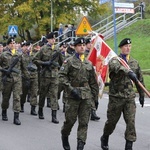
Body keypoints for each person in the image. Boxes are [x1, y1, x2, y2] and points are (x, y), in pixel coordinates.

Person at [100, 38, 145, 150]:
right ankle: (105, 137)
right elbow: (116, 67)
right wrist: (128, 72)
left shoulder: (134, 62)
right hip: (116, 97)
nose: (128, 48)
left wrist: (141, 95)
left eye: (129, 46)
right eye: (125, 46)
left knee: (131, 122)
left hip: (129, 98)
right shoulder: (115, 60)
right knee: (111, 122)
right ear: (121, 48)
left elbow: (140, 79)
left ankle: (129, 146)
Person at [59, 37, 99, 150]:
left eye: (83, 45)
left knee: (84, 122)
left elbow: (93, 82)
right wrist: (71, 89)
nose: (82, 47)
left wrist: (95, 98)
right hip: (72, 96)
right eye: (79, 45)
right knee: (70, 121)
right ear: (75, 47)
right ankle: (65, 135)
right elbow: (61, 76)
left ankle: (80, 146)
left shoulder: (88, 63)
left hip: (86, 96)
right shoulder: (69, 61)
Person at [33, 32, 63, 124]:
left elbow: (61, 61)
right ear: (48, 40)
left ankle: (54, 116)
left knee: (54, 95)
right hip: (45, 75)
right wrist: (44, 64)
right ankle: (40, 110)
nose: (53, 40)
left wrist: (57, 67)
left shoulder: (57, 49)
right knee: (43, 94)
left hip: (54, 75)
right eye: (52, 39)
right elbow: (35, 59)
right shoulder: (43, 49)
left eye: (54, 39)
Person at [0, 37, 29, 125]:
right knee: (6, 97)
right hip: (7, 79)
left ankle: (16, 117)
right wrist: (5, 71)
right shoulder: (3, 55)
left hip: (17, 80)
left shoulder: (19, 55)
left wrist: (28, 78)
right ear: (8, 44)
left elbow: (24, 68)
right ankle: (4, 111)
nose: (13, 45)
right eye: (11, 43)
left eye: (14, 43)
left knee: (17, 97)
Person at [84, 38, 100, 121]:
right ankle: (93, 112)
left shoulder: (95, 53)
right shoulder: (84, 54)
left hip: (94, 77)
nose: (91, 44)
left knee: (95, 94)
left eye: (92, 43)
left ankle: (93, 109)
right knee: (89, 95)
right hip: (86, 78)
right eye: (89, 43)